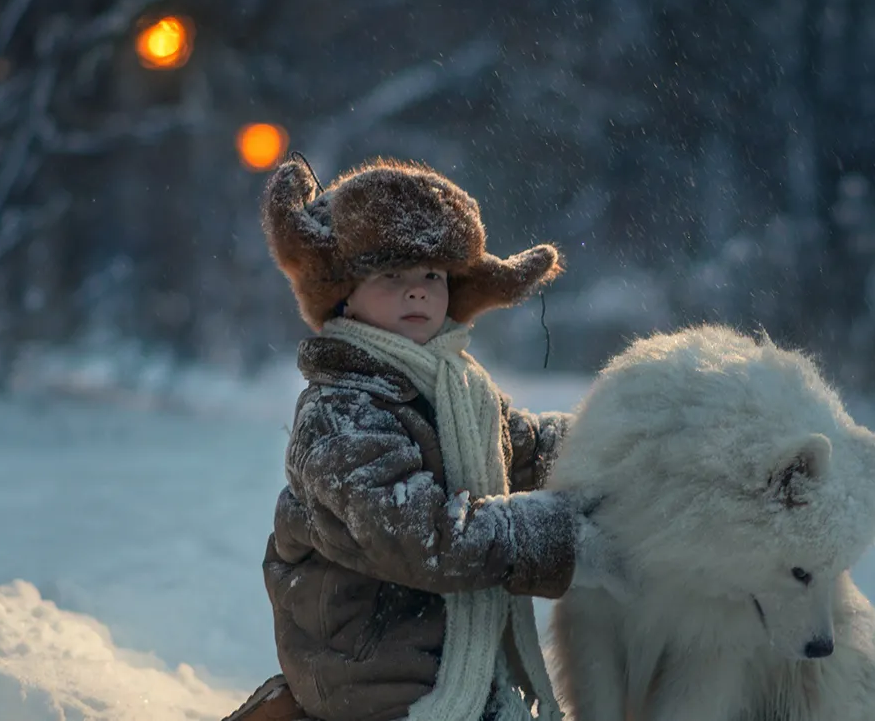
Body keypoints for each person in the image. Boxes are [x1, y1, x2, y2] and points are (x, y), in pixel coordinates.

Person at [225, 156, 624, 721]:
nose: (416, 292)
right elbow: (420, 537)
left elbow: (525, 449)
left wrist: (622, 443)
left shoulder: (454, 391)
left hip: (443, 655)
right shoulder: (342, 412)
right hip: (369, 666)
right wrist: (562, 536)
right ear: (343, 295)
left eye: (432, 276)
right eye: (391, 275)